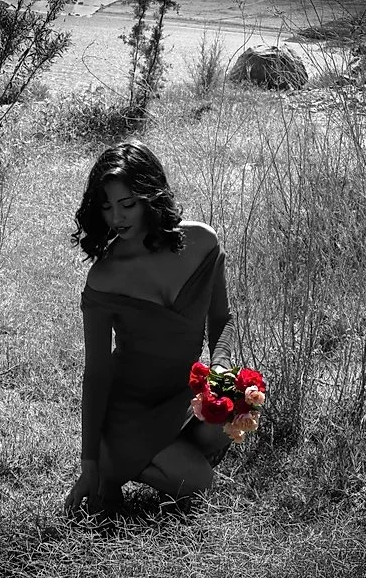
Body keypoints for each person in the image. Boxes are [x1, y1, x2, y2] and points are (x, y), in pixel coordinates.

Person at [64, 140, 235, 519]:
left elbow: (222, 319)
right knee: (203, 486)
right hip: (128, 410)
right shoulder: (105, 276)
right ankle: (115, 460)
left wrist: (220, 368)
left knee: (228, 418)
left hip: (180, 395)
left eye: (127, 204)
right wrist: (89, 461)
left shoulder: (202, 242)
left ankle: (165, 451)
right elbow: (96, 373)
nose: (116, 218)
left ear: (150, 196)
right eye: (107, 206)